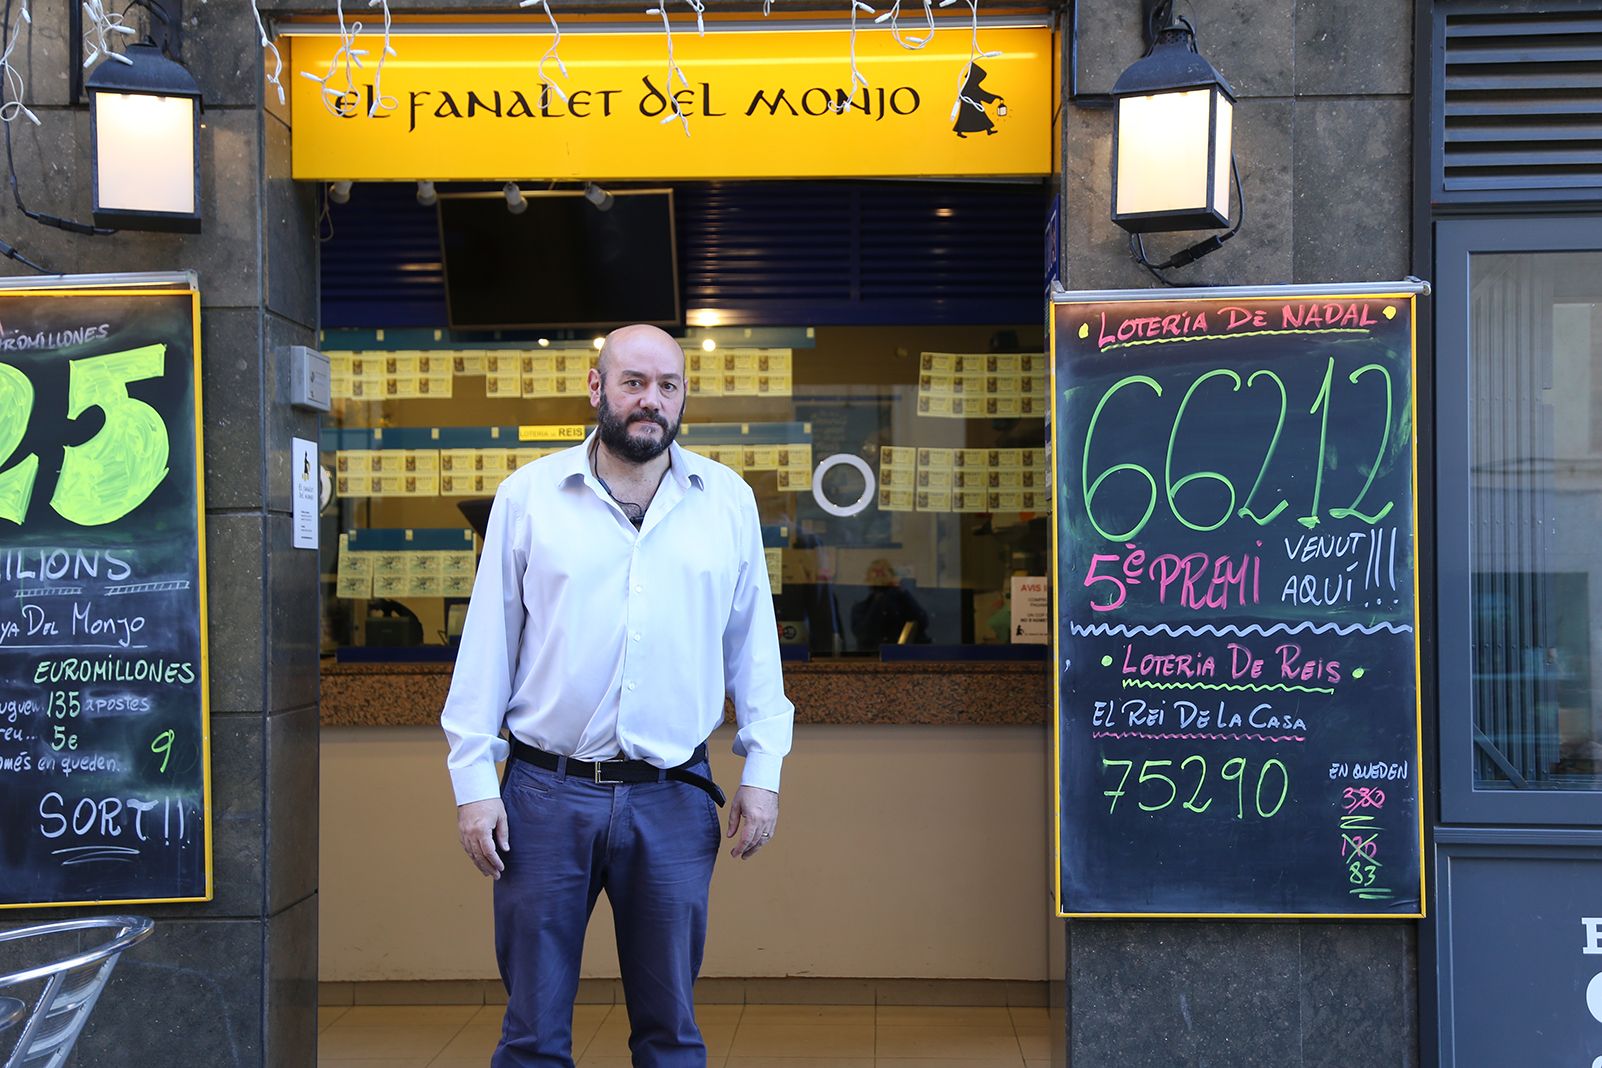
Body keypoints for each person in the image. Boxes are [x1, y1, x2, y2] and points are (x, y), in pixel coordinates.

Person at [440, 324, 794, 1067]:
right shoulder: (529, 496)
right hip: (543, 796)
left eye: (667, 386)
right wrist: (475, 786)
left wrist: (762, 774)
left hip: (673, 797)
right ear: (596, 388)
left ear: (684, 399)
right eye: (633, 382)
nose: (650, 401)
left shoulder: (725, 501)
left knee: (670, 1034)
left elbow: (754, 650)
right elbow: (487, 651)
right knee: (532, 1035)